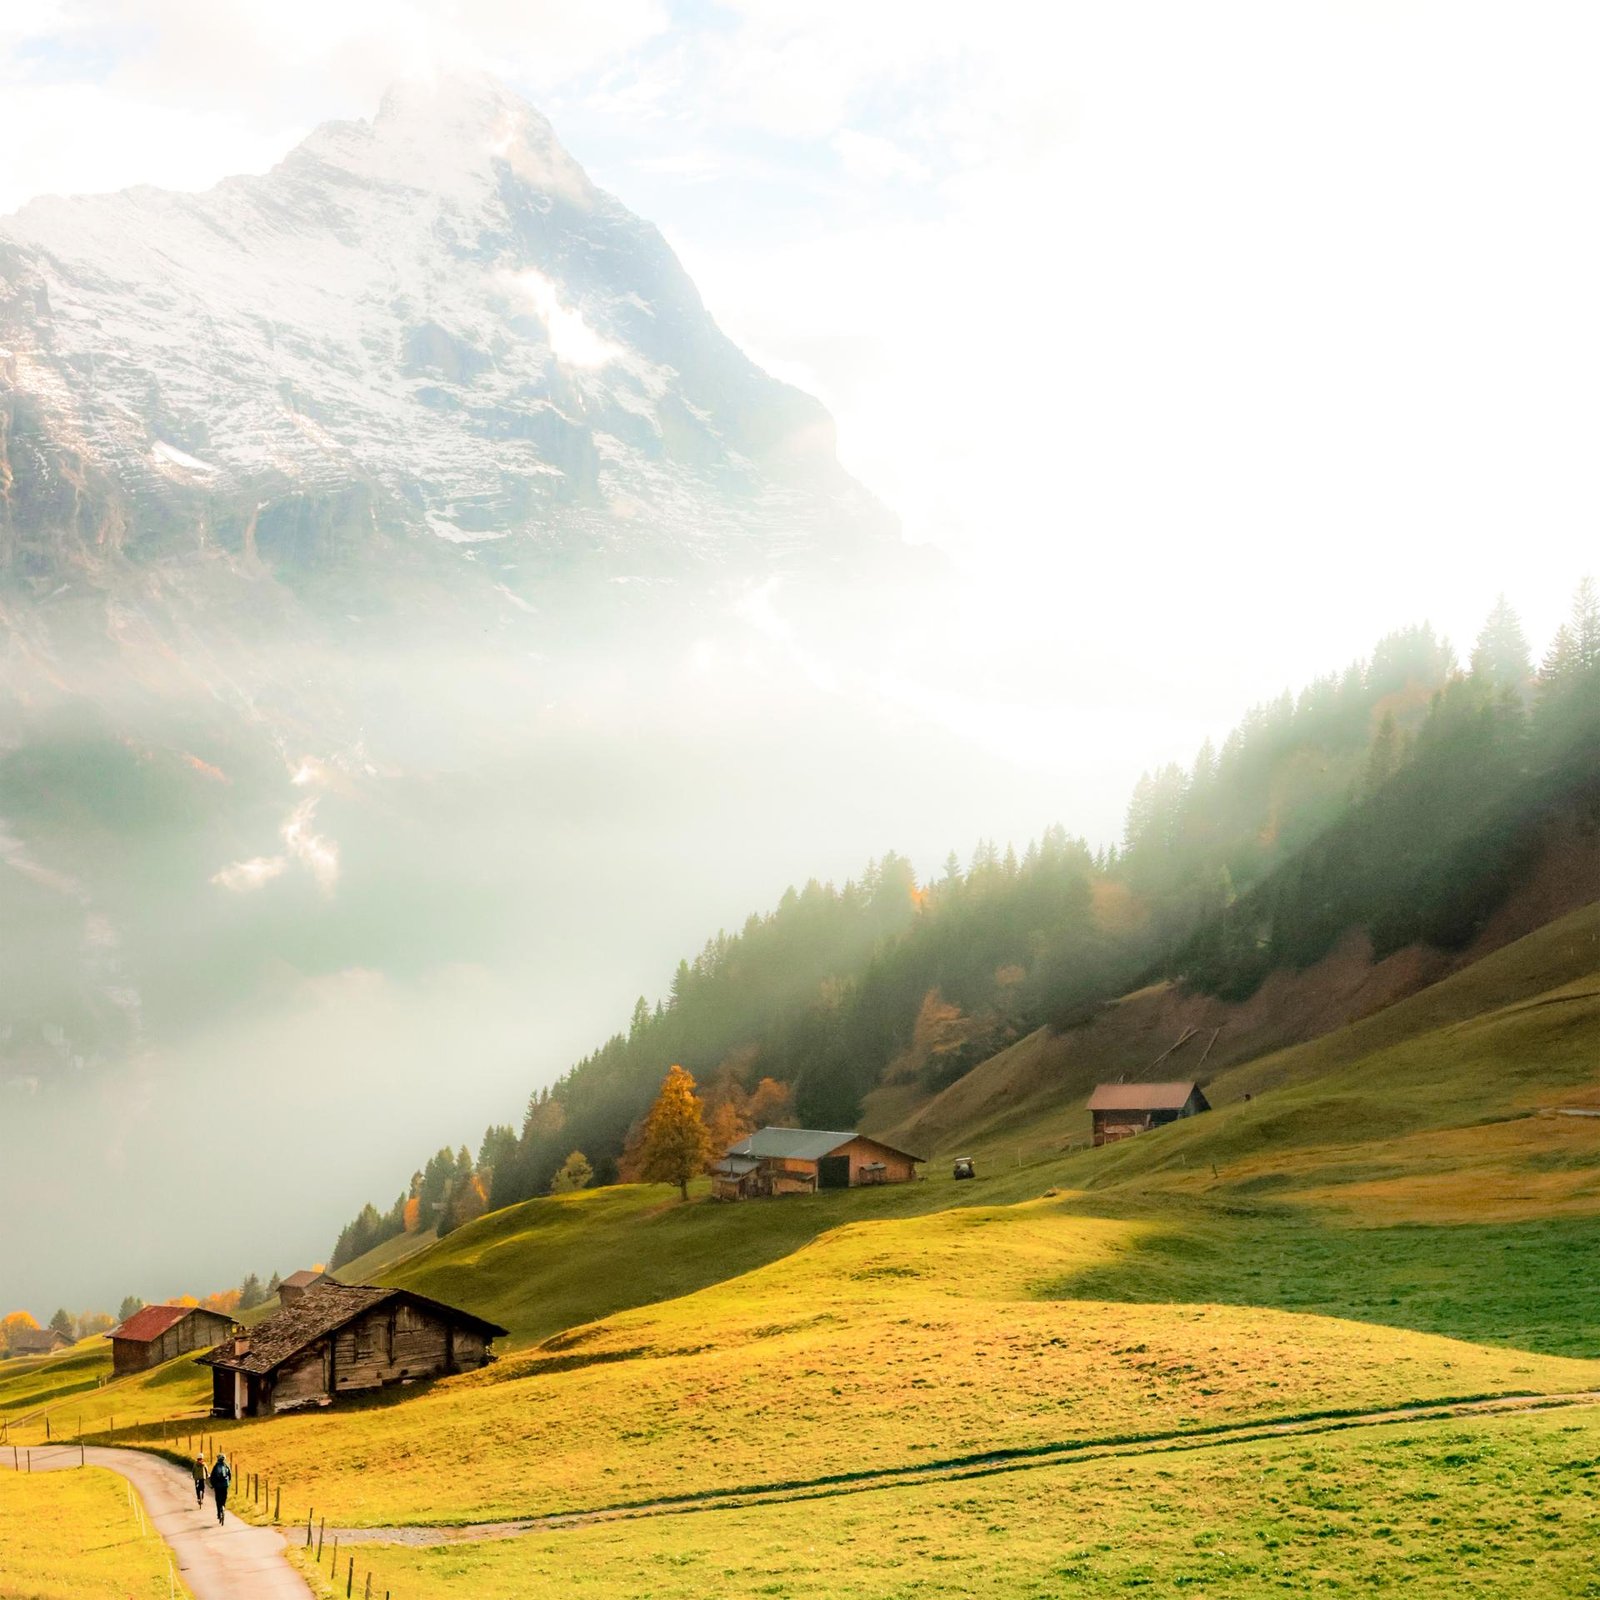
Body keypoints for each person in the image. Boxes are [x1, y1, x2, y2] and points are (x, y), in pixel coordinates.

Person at [208, 1453, 231, 1525]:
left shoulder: (216, 1466)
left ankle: (218, 1513)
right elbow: (230, 1476)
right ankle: (223, 1507)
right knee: (224, 1498)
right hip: (225, 1485)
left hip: (217, 1486)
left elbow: (212, 1477)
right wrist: (228, 1483)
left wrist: (212, 1485)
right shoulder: (227, 1466)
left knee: (218, 1500)